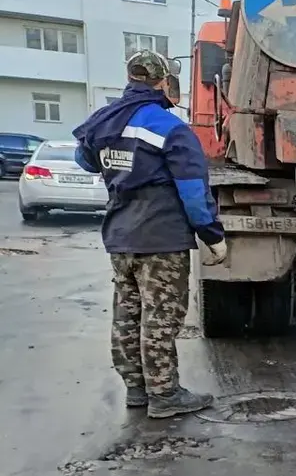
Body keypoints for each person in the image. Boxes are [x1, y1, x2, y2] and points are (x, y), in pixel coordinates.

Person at [73, 51, 226, 419]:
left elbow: (85, 159)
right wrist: (211, 234)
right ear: (163, 82)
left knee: (127, 314)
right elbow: (192, 189)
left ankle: (137, 390)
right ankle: (165, 394)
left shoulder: (104, 121)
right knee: (161, 317)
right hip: (161, 236)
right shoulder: (169, 127)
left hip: (121, 232)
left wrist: (121, 167)